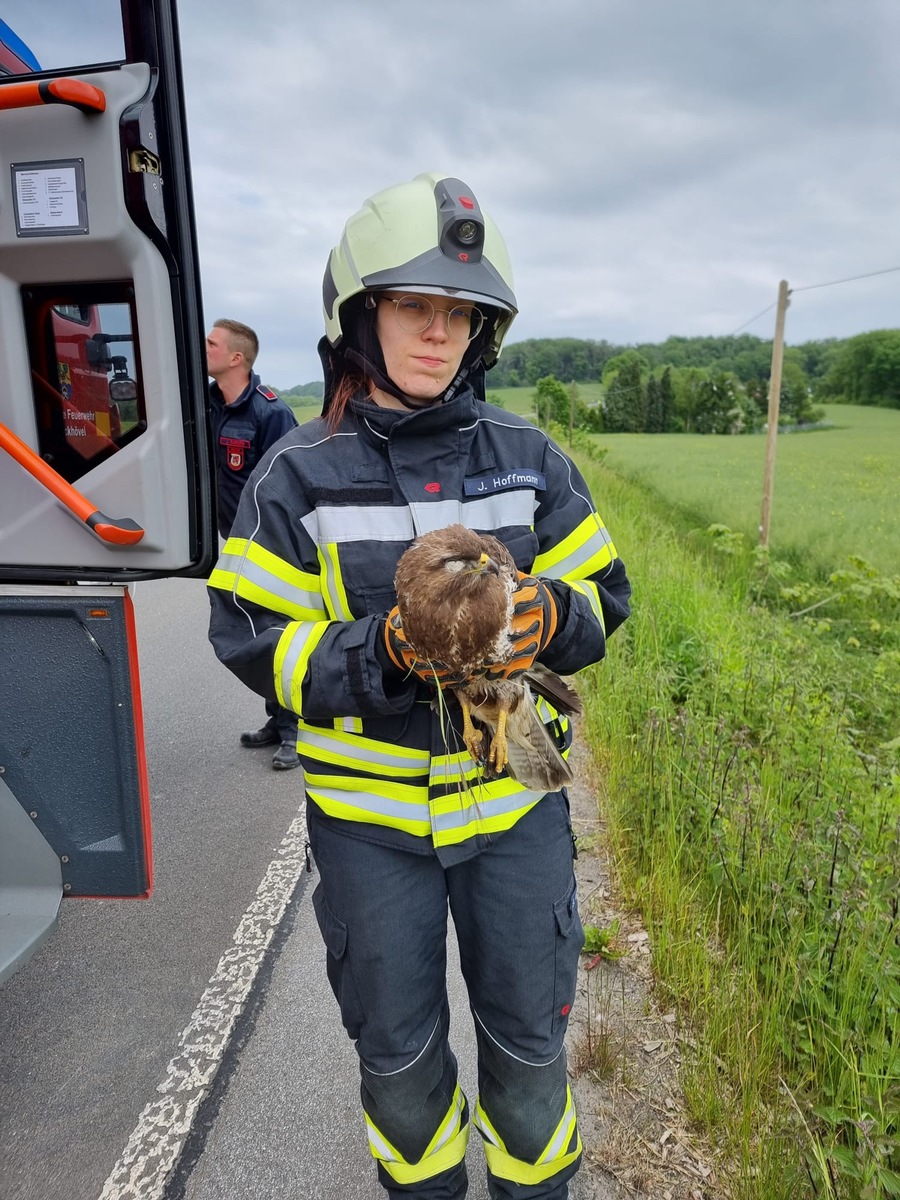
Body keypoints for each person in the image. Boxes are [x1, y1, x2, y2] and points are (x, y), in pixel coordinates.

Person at [207, 173, 631, 1199]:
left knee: (531, 1062)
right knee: (399, 1072)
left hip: (515, 809)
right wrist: (387, 653)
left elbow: (605, 599)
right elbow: (252, 640)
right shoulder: (294, 475)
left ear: (481, 333)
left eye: (459, 315)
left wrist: (548, 619)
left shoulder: (530, 459)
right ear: (361, 316)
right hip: (368, 832)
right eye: (413, 308)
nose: (438, 334)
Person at [206, 318, 301, 769]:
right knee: (252, 630)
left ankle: (294, 732)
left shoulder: (270, 412)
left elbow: (287, 483)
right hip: (232, 541)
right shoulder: (207, 405)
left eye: (211, 344)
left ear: (236, 358)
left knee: (276, 630)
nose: (203, 349)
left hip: (270, 544)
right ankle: (275, 719)